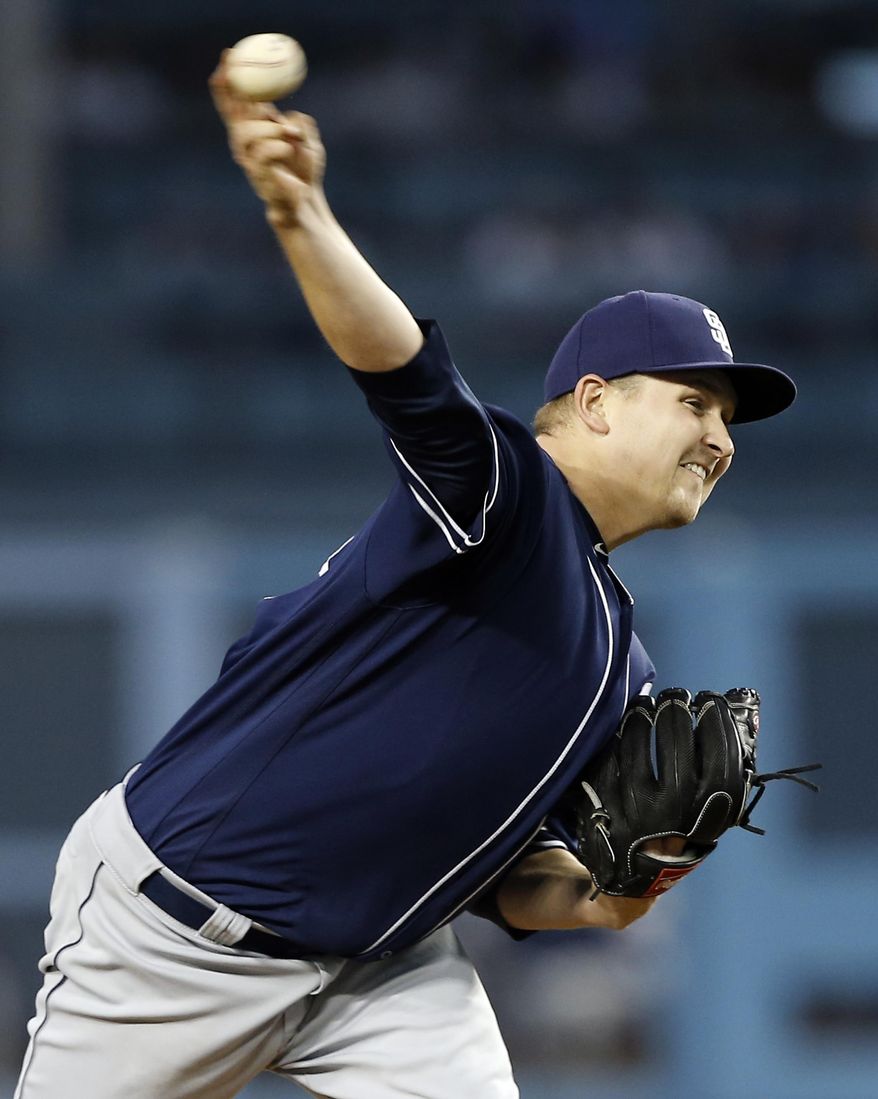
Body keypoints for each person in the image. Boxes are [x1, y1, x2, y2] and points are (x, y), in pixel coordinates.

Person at [15, 55, 797, 1099]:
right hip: (176, 934)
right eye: (694, 404)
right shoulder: (511, 493)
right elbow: (405, 375)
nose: (718, 437)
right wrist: (300, 216)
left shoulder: (621, 662)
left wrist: (631, 881)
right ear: (596, 402)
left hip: (384, 968)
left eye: (728, 422)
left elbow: (522, 891)